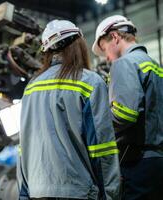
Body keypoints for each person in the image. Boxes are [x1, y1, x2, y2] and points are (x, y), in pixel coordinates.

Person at [17, 19, 120, 200]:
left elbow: (23, 148)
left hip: (36, 192)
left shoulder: (31, 88)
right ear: (78, 44)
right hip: (78, 191)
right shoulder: (89, 82)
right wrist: (110, 195)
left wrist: (24, 194)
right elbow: (101, 148)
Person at [92, 15, 163, 200]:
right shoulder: (154, 65)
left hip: (136, 161)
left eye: (104, 49)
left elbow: (124, 114)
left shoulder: (124, 63)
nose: (106, 58)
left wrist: (96, 126)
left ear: (115, 37)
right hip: (157, 159)